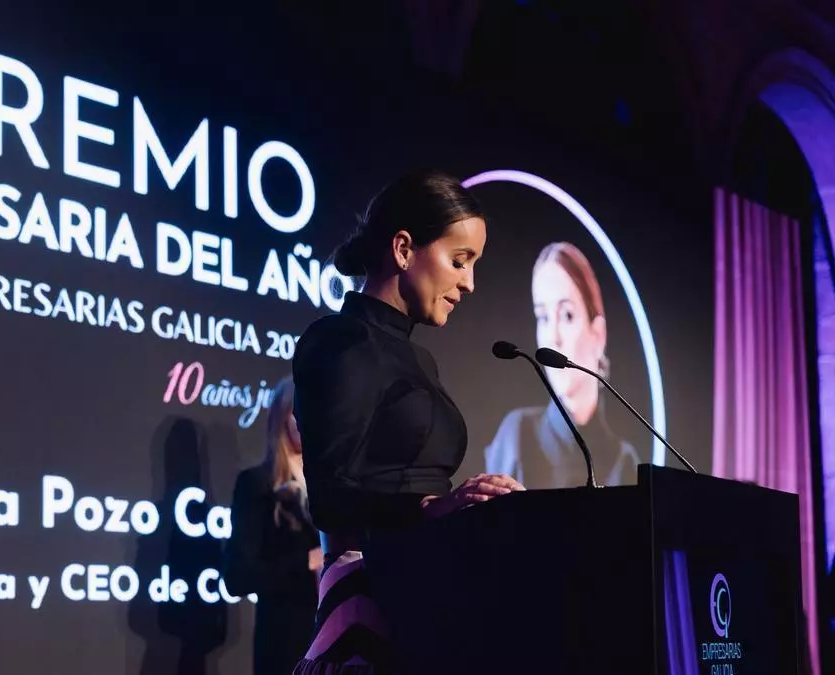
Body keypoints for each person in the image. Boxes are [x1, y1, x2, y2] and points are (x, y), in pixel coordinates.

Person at [290, 170, 524, 674]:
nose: (470, 283)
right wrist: (431, 508)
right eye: (459, 261)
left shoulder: (420, 360)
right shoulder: (340, 341)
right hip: (368, 600)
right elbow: (331, 499)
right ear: (403, 249)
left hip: (426, 592)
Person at [484, 241, 640, 488]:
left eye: (567, 315)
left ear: (598, 334)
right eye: (543, 317)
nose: (552, 336)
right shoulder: (518, 434)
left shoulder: (624, 460)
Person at [224, 376, 323, 675]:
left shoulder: (331, 487)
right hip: (285, 646)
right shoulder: (257, 485)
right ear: (281, 418)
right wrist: (306, 561)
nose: (307, 421)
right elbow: (237, 578)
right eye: (298, 412)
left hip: (331, 641)